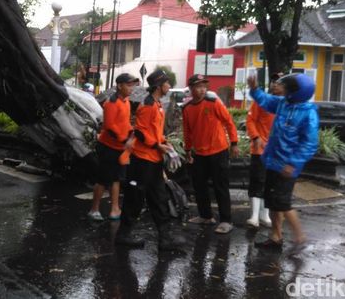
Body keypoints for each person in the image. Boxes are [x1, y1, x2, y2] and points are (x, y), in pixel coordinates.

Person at [115, 69, 186, 252]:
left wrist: (164, 143)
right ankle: (123, 235)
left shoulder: (157, 104)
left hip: (153, 159)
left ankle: (165, 239)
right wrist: (157, 145)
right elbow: (140, 131)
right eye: (167, 83)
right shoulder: (147, 106)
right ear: (159, 85)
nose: (169, 86)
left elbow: (154, 131)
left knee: (159, 198)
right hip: (142, 160)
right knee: (135, 198)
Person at [247, 73, 319, 250]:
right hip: (273, 161)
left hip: (286, 167)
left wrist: (293, 163)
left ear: (295, 91)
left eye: (283, 85)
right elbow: (265, 100)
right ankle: (275, 237)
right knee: (272, 202)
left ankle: (299, 236)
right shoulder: (283, 104)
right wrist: (255, 89)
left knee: (283, 203)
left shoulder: (308, 114)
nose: (278, 87)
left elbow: (309, 144)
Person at [182, 74, 239, 234]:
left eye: (204, 86)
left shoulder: (213, 103)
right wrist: (187, 150)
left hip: (218, 151)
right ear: (191, 89)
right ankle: (206, 216)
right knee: (199, 186)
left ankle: (226, 221)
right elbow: (187, 132)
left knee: (220, 186)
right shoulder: (186, 109)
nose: (202, 89)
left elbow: (229, 121)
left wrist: (234, 143)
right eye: (198, 86)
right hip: (199, 153)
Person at [87, 73, 139, 221]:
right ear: (120, 85)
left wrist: (131, 134)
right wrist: (125, 140)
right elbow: (110, 127)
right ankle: (94, 209)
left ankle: (115, 209)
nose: (131, 88)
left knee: (116, 179)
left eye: (132, 85)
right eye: (128, 85)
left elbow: (125, 123)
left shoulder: (126, 102)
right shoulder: (111, 103)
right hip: (108, 146)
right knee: (103, 180)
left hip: (120, 147)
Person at [245, 72, 284, 228]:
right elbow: (250, 120)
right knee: (258, 181)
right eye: (273, 81)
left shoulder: (287, 104)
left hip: (277, 151)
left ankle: (264, 215)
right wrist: (255, 137)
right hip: (260, 149)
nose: (275, 84)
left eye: (279, 82)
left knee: (270, 183)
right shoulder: (262, 101)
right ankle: (254, 216)